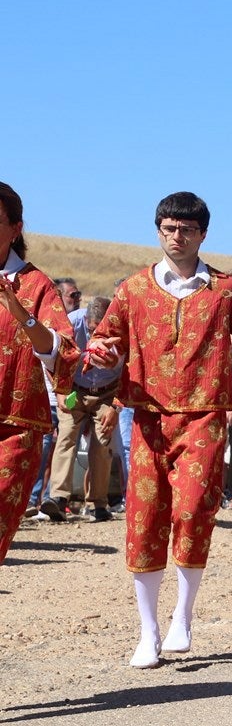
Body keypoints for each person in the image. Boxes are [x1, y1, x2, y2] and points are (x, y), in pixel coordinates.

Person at [88, 191, 232, 668]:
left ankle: (182, 617)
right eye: (169, 228)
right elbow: (105, 339)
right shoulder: (132, 289)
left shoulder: (226, 290)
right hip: (145, 416)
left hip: (206, 414)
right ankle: (147, 631)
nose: (177, 236)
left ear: (203, 234)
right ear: (158, 231)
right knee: (144, 518)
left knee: (191, 512)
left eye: (187, 229)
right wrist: (104, 355)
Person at [0, 182, 79, 561]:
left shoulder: (37, 284)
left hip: (16, 425)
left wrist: (23, 317)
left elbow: (62, 350)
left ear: (16, 228)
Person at [46, 297, 123, 522]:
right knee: (66, 437)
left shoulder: (122, 331)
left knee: (102, 442)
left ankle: (98, 504)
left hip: (107, 393)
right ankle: (58, 499)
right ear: (86, 320)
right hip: (73, 392)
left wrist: (116, 408)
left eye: (100, 332)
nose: (94, 337)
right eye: (90, 330)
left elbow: (130, 372)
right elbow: (50, 359)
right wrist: (59, 392)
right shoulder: (71, 323)